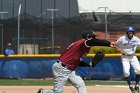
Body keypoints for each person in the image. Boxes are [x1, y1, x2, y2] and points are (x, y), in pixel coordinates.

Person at [37, 30, 115, 93]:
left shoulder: (83, 47)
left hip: (69, 69)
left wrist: (89, 64)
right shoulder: (83, 43)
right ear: (88, 37)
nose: (94, 38)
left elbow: (77, 61)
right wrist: (108, 43)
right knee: (58, 92)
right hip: (62, 68)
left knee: (80, 84)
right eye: (93, 37)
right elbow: (94, 42)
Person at [115, 26, 140, 93]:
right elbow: (116, 44)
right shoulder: (122, 38)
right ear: (127, 32)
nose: (130, 33)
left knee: (139, 70)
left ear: (133, 32)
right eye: (129, 31)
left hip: (133, 56)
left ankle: (137, 85)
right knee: (126, 72)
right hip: (125, 57)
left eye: (132, 31)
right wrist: (117, 48)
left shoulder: (136, 39)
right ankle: (130, 86)